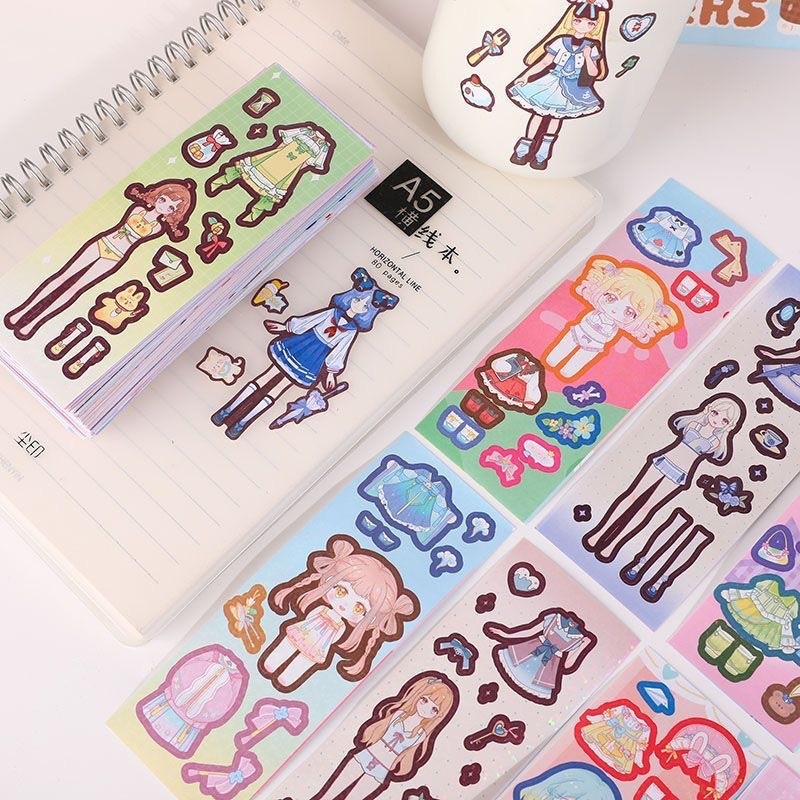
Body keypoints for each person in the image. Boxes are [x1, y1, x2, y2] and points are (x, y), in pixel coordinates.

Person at [212, 268, 398, 439]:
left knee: (279, 389)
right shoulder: (331, 312)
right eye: (358, 300)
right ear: (350, 297)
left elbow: (339, 352)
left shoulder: (351, 331)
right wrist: (285, 327)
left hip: (314, 358)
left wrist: (331, 372)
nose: (359, 306)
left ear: (367, 313)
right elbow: (307, 322)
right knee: (265, 377)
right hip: (300, 344)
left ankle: (242, 423)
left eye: (364, 307)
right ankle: (227, 410)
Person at [4, 179, 195, 340]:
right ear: (157, 195)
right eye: (163, 199)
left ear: (173, 213)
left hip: (116, 256)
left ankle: (34, 322)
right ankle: (22, 311)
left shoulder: (157, 228)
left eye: (171, 207)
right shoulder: (137, 209)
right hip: (101, 243)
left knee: (76, 289)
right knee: (62, 276)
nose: (164, 206)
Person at [583, 395, 745, 564]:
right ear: (709, 410)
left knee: (647, 508)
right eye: (716, 413)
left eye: (724, 420)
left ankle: (614, 544)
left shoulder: (715, 442)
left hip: (680, 472)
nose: (717, 420)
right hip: (665, 459)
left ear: (729, 425)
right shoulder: (693, 424)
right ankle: (599, 533)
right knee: (632, 496)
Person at [258, 536, 418, 692]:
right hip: (301, 632)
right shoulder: (322, 610)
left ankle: (287, 678)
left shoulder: (341, 627)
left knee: (298, 668)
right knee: (277, 655)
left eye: (359, 608)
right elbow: (310, 617)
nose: (345, 604)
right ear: (331, 580)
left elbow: (335, 638)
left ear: (370, 618)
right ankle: (271, 664)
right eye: (341, 591)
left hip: (317, 649)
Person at [310, 673, 457, 800]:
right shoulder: (399, 715)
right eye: (424, 700)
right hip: (366, 755)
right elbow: (380, 729)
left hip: (381, 771)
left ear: (439, 715)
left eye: (434, 709)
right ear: (417, 695)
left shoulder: (420, 735)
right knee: (327, 795)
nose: (426, 708)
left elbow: (407, 754)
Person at [506, 0, 612, 170]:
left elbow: (593, 72)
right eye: (578, 20)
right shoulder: (561, 41)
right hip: (552, 81)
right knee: (538, 114)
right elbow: (544, 62)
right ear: (571, 20)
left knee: (556, 117)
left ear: (595, 25)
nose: (582, 25)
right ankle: (522, 151)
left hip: (573, 86)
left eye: (589, 23)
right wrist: (525, 76)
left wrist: (587, 56)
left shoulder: (591, 47)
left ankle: (541, 155)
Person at [544, 257, 680, 380]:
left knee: (569, 370)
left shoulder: (615, 327)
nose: (615, 309)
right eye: (611, 298)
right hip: (579, 331)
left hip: (595, 345)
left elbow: (609, 337)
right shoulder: (596, 313)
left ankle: (568, 370)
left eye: (629, 312)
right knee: (552, 358)